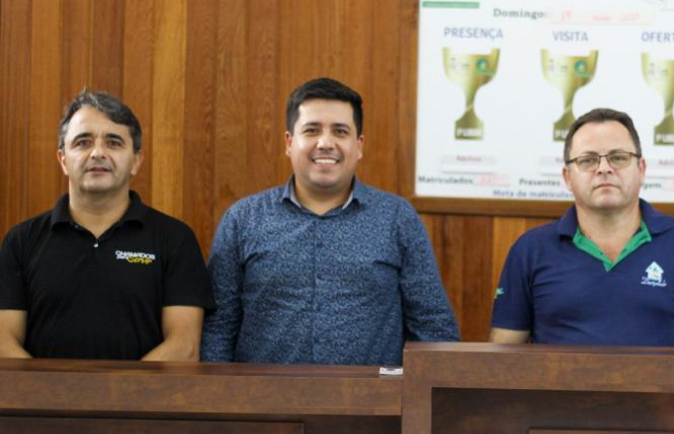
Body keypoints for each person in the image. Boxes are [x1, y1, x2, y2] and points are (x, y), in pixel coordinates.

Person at [201, 77, 459, 365]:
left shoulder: (397, 218)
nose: (325, 143)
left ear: (358, 146)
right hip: (264, 394)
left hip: (373, 395)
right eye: (311, 130)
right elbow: (218, 329)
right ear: (289, 142)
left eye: (340, 131)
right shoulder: (243, 219)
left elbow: (433, 326)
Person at [490, 108, 674, 348]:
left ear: (641, 170)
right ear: (568, 177)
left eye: (618, 158)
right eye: (588, 160)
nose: (604, 168)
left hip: (661, 383)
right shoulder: (530, 250)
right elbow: (501, 360)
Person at [0, 91, 213, 360]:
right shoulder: (21, 242)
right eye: (83, 142)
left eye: (113, 142)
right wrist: (51, 387)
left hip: (143, 391)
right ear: (63, 160)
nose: (98, 153)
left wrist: (119, 387)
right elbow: (3, 343)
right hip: (41, 391)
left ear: (136, 160)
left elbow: (184, 347)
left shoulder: (175, 239)